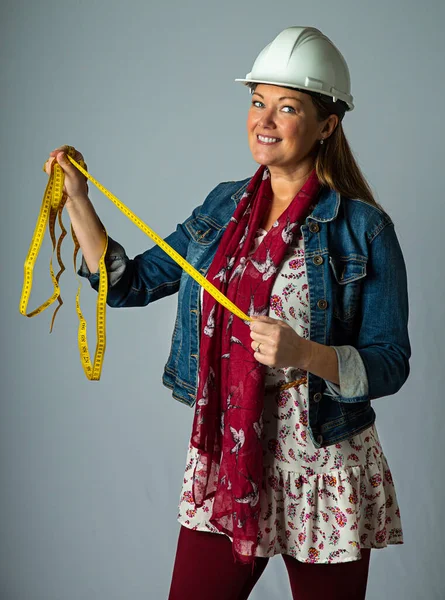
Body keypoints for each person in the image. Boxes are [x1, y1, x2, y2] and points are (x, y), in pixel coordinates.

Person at [45, 26, 411, 600]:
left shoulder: (364, 228)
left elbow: (390, 362)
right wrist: (78, 202)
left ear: (327, 125)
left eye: (286, 107)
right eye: (257, 101)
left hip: (322, 467)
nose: (264, 120)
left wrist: (305, 354)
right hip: (232, 455)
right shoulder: (223, 206)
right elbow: (130, 283)